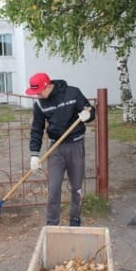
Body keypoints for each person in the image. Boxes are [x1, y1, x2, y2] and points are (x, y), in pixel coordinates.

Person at [25, 72, 95, 226]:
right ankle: (52, 222)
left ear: (48, 86)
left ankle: (75, 217)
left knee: (76, 186)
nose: (37, 95)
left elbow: (91, 111)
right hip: (56, 148)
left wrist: (86, 115)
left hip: (76, 145)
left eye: (39, 91)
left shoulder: (72, 93)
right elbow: (37, 129)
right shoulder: (40, 104)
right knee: (54, 187)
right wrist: (34, 155)